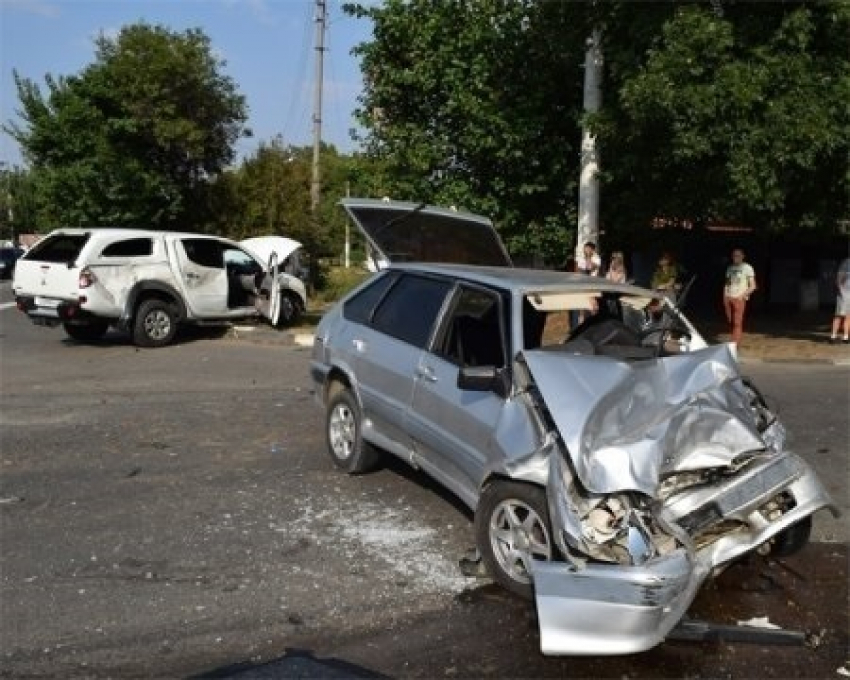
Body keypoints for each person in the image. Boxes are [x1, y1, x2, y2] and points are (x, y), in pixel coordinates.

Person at [723, 247, 757, 346]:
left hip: (739, 298)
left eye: (738, 255)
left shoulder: (747, 267)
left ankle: (735, 344)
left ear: (743, 256)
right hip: (729, 297)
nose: (736, 257)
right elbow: (727, 284)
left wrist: (742, 296)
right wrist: (725, 295)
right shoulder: (730, 268)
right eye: (734, 255)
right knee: (730, 321)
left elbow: (753, 286)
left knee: (737, 322)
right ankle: (732, 341)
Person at [830, 257, 850, 344]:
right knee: (838, 315)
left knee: (848, 316)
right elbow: (839, 279)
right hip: (844, 294)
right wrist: (841, 292)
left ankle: (846, 337)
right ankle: (833, 337)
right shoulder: (846, 263)